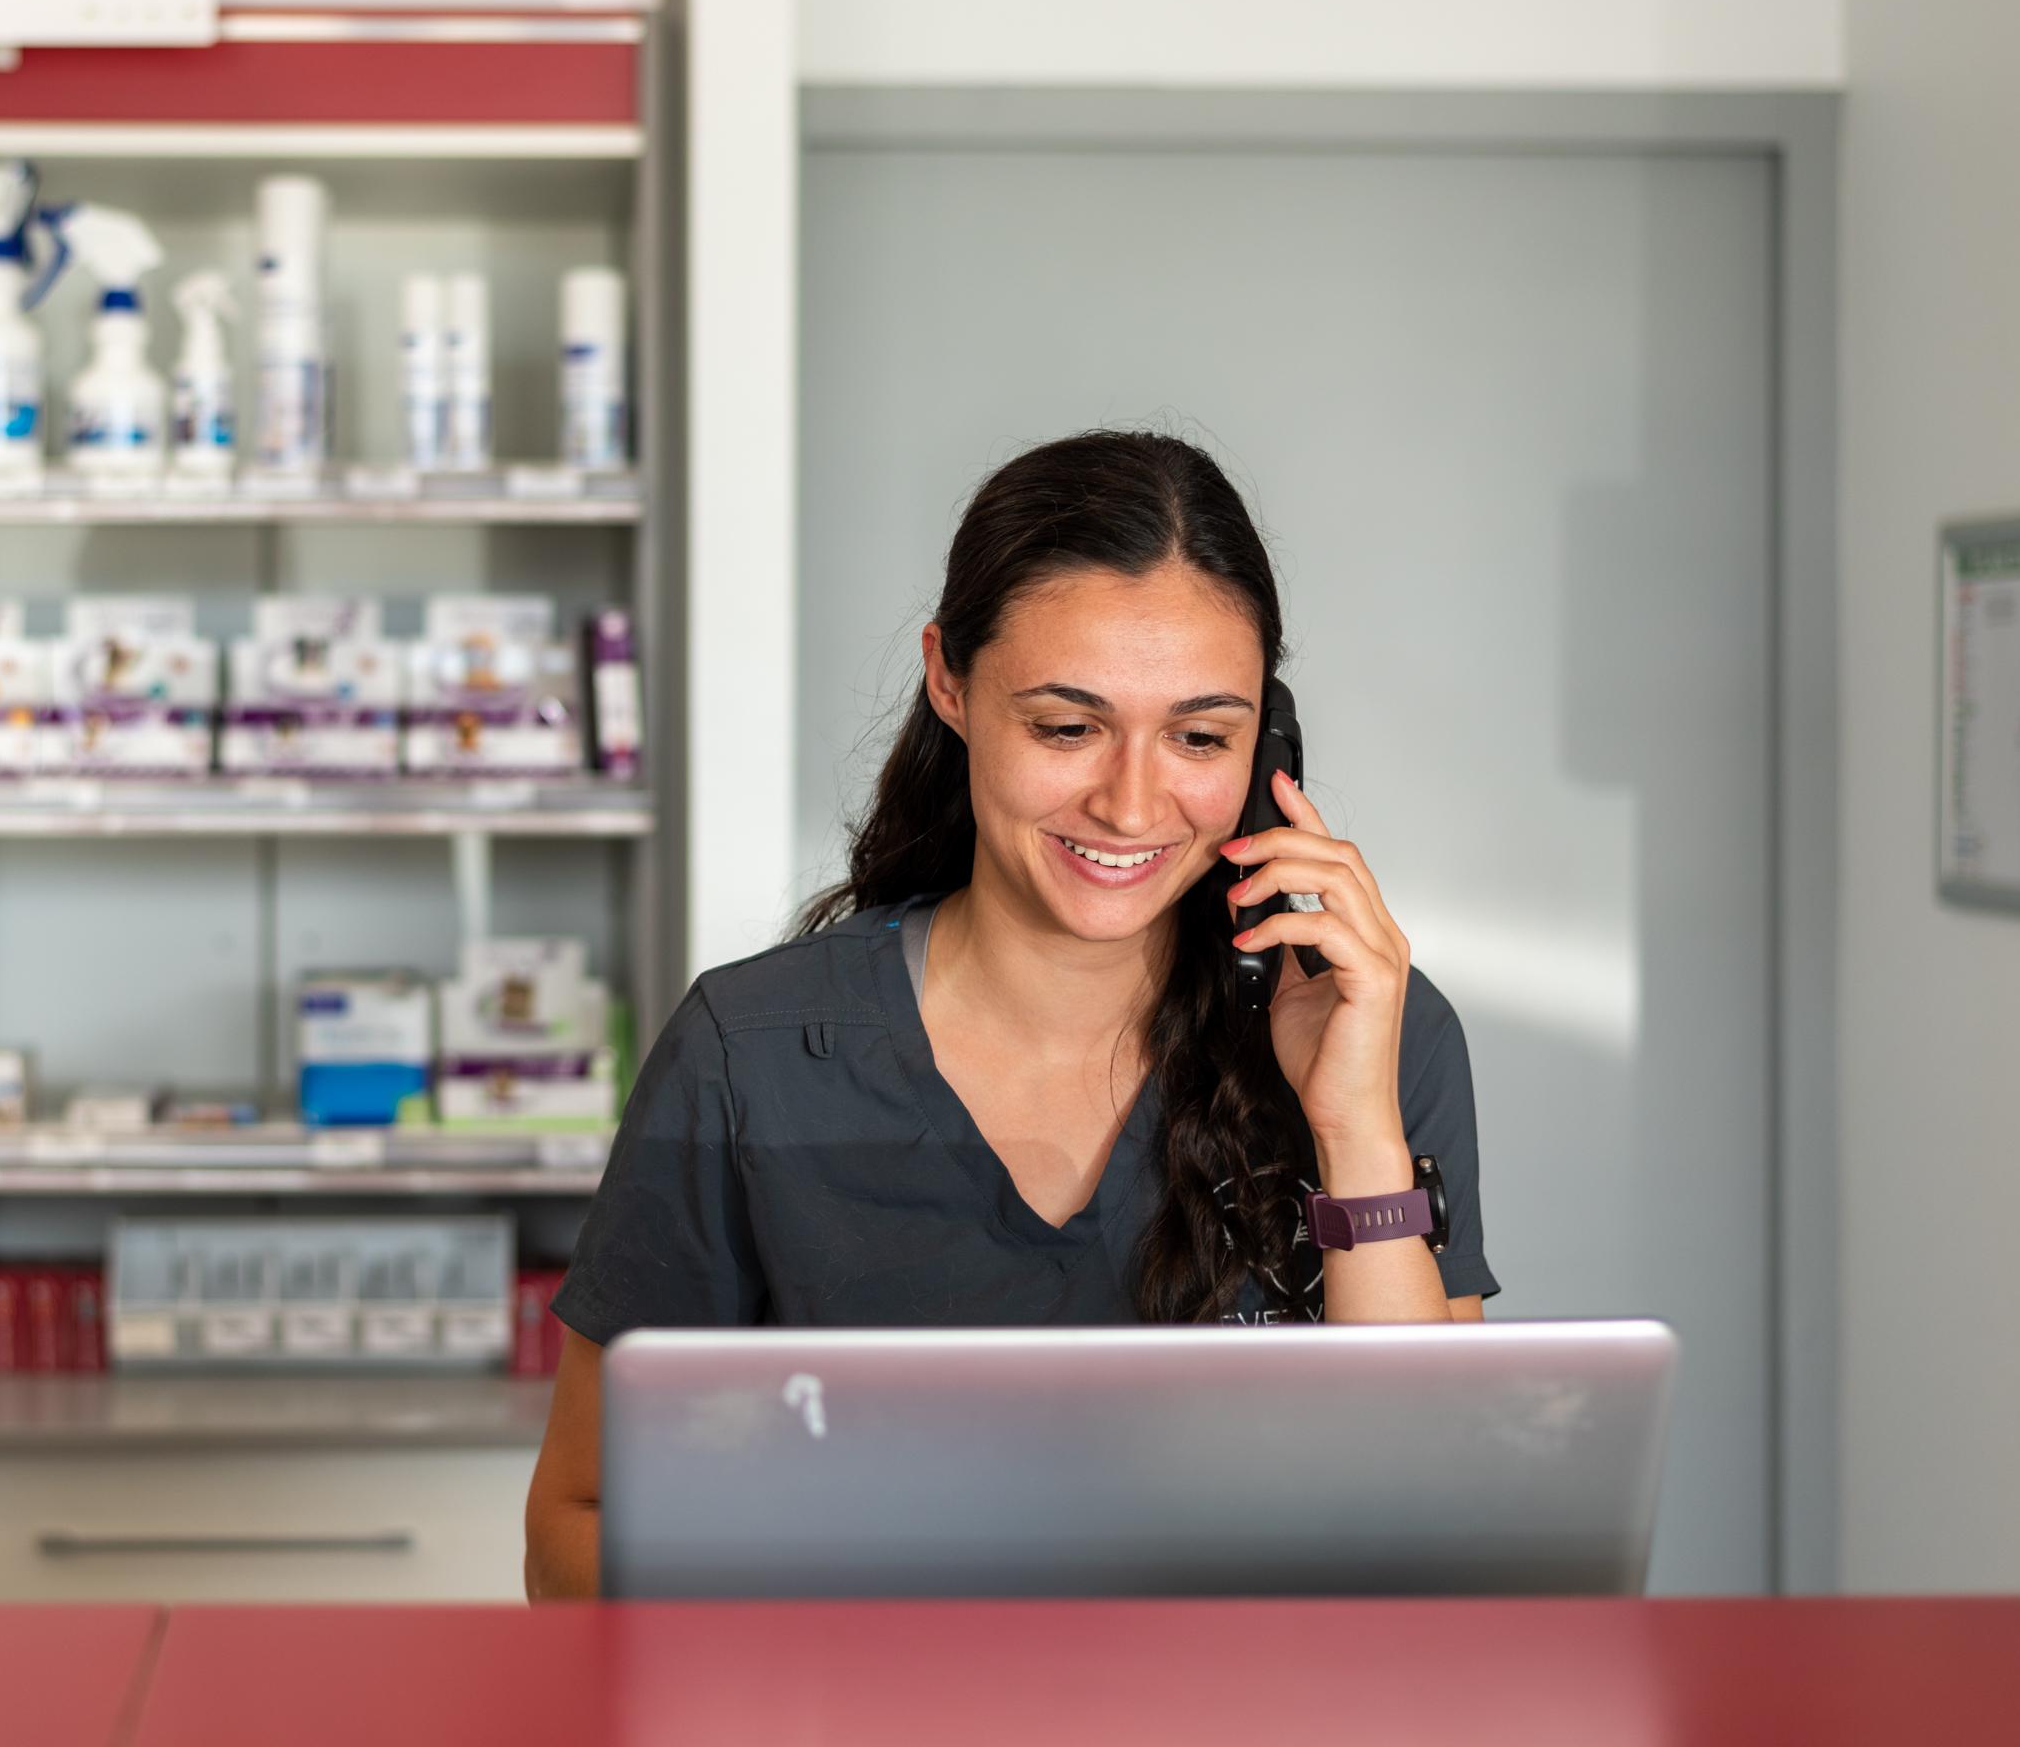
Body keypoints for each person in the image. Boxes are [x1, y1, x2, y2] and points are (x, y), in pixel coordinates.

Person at [522, 430, 1497, 1600]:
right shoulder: (754, 1056)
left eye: (1201, 736)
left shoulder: (1363, 1027)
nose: (1133, 802)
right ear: (951, 680)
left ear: (1265, 742)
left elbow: (1439, 1550)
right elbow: (575, 1528)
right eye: (1066, 725)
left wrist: (1353, 1129)